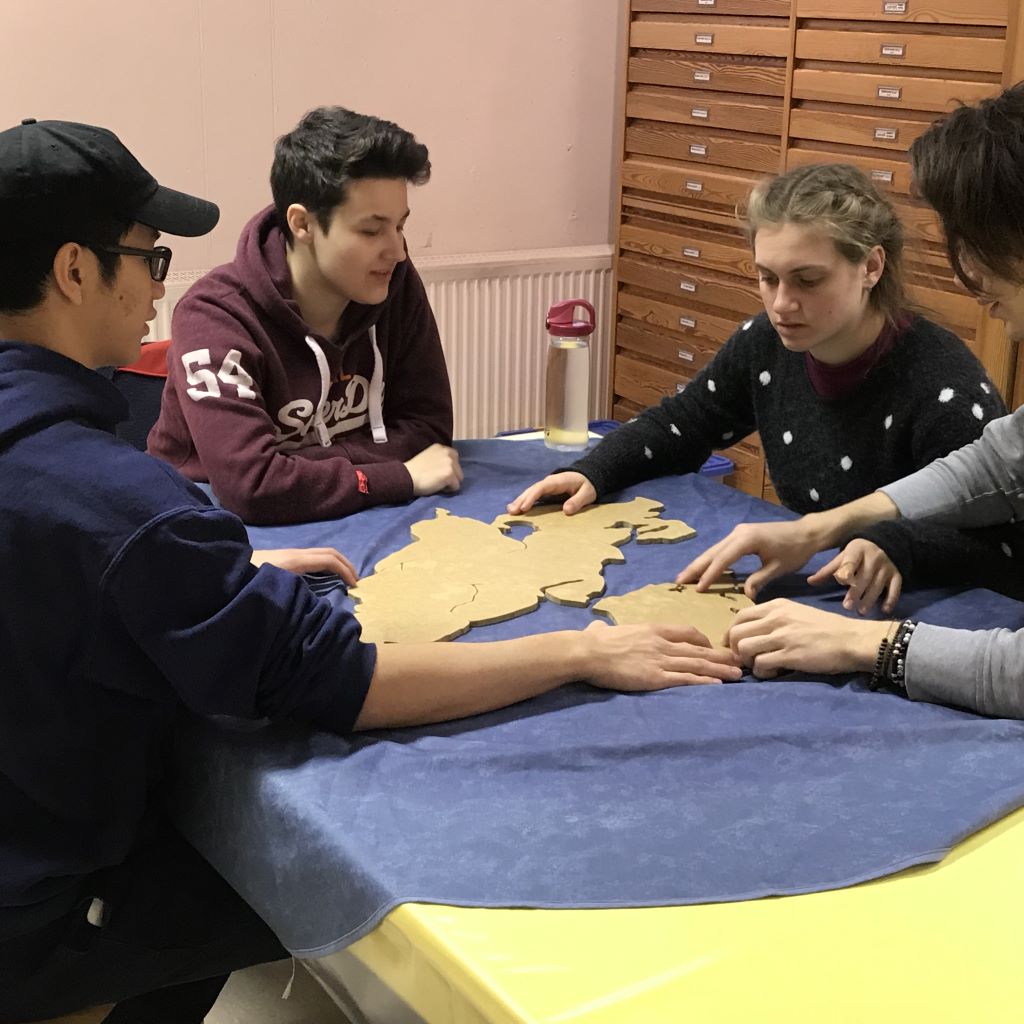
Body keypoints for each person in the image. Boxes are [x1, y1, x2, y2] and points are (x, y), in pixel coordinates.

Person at [0, 119, 740, 1023]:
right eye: (150, 259)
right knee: (282, 858)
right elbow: (342, 677)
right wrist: (581, 655)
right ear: (76, 270)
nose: (161, 287)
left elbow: (77, 551)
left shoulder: (108, 499)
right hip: (32, 915)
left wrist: (229, 560)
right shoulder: (121, 503)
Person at [509, 163, 1024, 613]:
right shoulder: (766, 344)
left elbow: (1000, 547)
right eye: (767, 278)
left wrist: (896, 542)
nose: (781, 303)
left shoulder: (943, 386)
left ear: (870, 267)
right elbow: (683, 423)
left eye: (807, 280)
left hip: (931, 610)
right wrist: (597, 469)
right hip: (824, 589)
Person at [677, 83, 1024, 720]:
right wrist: (821, 528)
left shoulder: (935, 373)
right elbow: (995, 464)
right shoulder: (768, 345)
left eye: (980, 245)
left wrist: (867, 643)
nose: (969, 275)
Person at [147, 106, 461, 525]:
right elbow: (254, 489)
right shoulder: (214, 315)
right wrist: (397, 474)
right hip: (209, 523)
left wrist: (302, 469)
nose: (397, 250)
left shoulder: (393, 280)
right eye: (371, 230)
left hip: (348, 514)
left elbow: (430, 428)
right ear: (303, 224)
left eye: (400, 226)